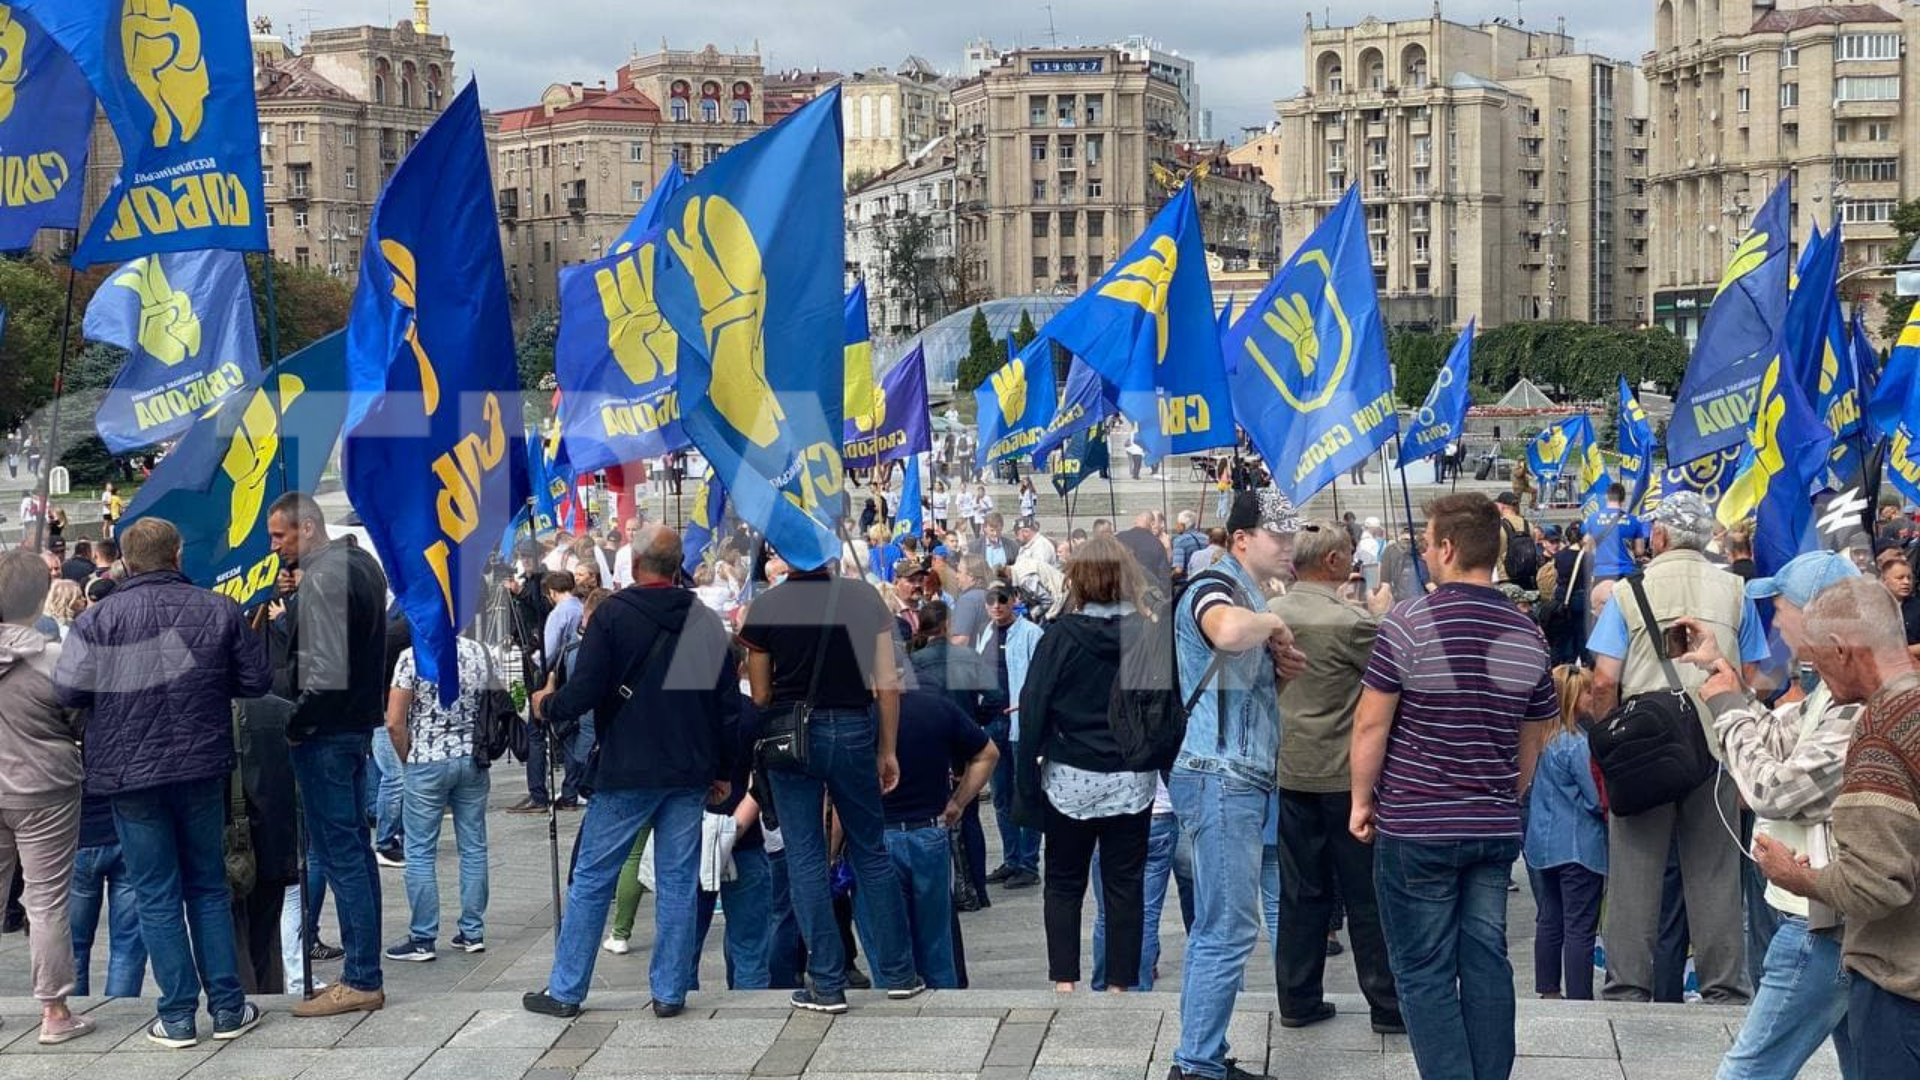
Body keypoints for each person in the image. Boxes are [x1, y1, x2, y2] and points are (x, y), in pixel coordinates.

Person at [1350, 493, 1558, 1080]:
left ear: (1446, 548)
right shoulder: (1526, 633)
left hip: (1418, 820)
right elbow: (1534, 734)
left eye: (1427, 543)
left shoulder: (1408, 622)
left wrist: (1362, 799)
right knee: (1487, 958)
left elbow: (1371, 721)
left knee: (1423, 967)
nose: (1423, 552)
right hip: (1490, 823)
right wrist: (1506, 793)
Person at [1642, 553, 1864, 1079]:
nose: (1775, 620)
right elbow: (1779, 739)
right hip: (1823, 911)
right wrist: (1725, 680)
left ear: (1815, 617)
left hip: (1820, 920)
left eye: (1780, 607)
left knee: (1748, 1070)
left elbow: (1773, 788)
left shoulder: (1856, 703)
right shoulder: (1831, 692)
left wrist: (1724, 708)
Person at [55, 519, 273, 1045]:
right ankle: (226, 1007)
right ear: (178, 554)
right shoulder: (217, 608)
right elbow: (257, 681)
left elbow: (68, 693)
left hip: (129, 776)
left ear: (125, 563)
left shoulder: (97, 620)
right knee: (208, 885)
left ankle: (176, 1015)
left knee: (155, 891)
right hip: (200, 767)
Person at [524, 526, 739, 1019]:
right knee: (678, 880)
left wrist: (545, 705)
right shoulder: (705, 621)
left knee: (594, 876)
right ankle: (669, 990)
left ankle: (567, 988)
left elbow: (586, 692)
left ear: (637, 564)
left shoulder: (615, 616)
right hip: (689, 767)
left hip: (628, 766)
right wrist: (724, 768)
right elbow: (725, 706)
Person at [1588, 491, 1766, 1005]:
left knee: (1633, 874)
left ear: (1660, 536)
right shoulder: (1736, 591)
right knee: (1714, 872)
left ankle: (1626, 987)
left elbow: (1603, 681)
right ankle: (1725, 989)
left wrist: (1607, 741)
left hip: (1643, 748)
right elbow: (1752, 673)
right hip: (1716, 741)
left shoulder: (1627, 593)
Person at [739, 552, 924, 1013]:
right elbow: (887, 683)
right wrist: (888, 749)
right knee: (869, 849)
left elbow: (760, 694)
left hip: (792, 737)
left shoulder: (767, 606)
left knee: (804, 856)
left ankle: (825, 981)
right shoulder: (865, 598)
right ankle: (899, 972)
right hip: (854, 728)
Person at [1750, 576, 1920, 1078]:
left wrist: (1798, 878)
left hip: (1900, 988)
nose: (1813, 671)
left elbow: (1877, 885)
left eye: (1816, 659)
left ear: (1844, 650)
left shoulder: (1880, 729)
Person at [1168, 491, 1308, 1080]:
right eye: (1278, 534)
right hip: (1220, 778)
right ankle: (1197, 1064)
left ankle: (1203, 1054)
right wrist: (1274, 622)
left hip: (1234, 776)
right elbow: (1223, 631)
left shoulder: (1246, 592)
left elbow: (1236, 701)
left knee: (1222, 927)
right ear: (1243, 538)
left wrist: (1275, 676)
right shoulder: (1213, 584)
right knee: (1227, 930)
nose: (1289, 545)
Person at [1266, 520, 1402, 1033]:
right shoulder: (1351, 622)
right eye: (1347, 553)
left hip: (1289, 769)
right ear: (1332, 562)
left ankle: (1297, 998)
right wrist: (1384, 618)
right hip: (1346, 776)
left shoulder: (1270, 614)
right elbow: (1393, 677)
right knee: (1367, 896)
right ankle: (1386, 1004)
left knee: (1300, 893)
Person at [1015, 535, 1159, 994]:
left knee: (1062, 881)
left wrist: (1024, 780)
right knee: (1124, 885)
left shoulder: (1059, 636)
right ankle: (1119, 983)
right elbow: (1160, 708)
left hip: (1069, 775)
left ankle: (1064, 981)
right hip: (1130, 777)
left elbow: (1033, 703)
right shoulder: (1146, 634)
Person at [265, 492, 391, 1018]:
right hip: (357, 723)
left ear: (309, 528)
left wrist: (295, 723)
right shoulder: (358, 562)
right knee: (354, 854)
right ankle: (365, 969)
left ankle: (361, 975)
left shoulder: (323, 578)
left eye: (281, 537)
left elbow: (322, 674)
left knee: (341, 853)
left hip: (327, 731)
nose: (275, 548)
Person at [0, 549, 94, 1044]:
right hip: (45, 787)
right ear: (40, 598)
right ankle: (54, 1011)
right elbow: (79, 719)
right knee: (46, 900)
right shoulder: (55, 659)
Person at [864, 676, 997, 988]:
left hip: (877, 839)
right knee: (938, 939)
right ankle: (943, 1007)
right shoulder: (937, 707)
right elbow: (987, 754)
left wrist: (831, 853)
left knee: (886, 941)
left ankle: (895, 1005)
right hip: (930, 832)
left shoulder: (862, 716)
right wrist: (958, 802)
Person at [382, 634, 494, 962]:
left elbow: (394, 722)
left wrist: (406, 758)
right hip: (472, 757)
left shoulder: (411, 657)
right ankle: (473, 931)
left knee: (419, 851)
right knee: (473, 847)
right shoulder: (476, 651)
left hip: (426, 760)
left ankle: (423, 937)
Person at [1525, 665, 1607, 1001]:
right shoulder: (1577, 744)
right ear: (1574, 699)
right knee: (1580, 927)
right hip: (1579, 846)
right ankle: (1579, 995)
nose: (1593, 696)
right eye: (1587, 691)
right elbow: (1594, 797)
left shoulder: (1539, 741)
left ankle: (1548, 989)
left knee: (1549, 919)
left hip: (1541, 846)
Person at [977, 582, 1044, 889]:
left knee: (1026, 793)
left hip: (1020, 723)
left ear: (1013, 601)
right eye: (992, 601)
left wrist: (1029, 706)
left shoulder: (1031, 634)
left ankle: (1029, 862)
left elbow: (1043, 678)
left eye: (1003, 600)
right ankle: (1011, 858)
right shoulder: (985, 633)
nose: (997, 606)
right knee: (1001, 795)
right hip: (992, 723)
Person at [1582, 483, 1647, 583]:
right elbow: (1639, 551)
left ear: (1606, 497)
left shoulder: (1592, 519)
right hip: (1626, 573)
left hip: (1601, 573)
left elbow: (1587, 546)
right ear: (1623, 499)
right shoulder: (1634, 520)